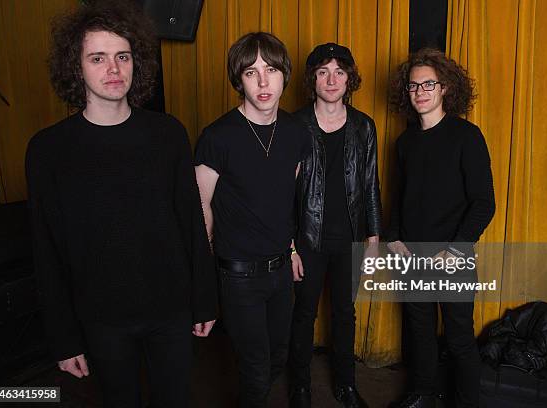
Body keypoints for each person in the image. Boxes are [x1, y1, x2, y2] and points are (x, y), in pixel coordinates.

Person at [25, 3, 217, 407]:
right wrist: (63, 337)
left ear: (136, 63)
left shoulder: (168, 134)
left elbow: (192, 223)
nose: (113, 69)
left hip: (171, 310)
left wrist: (204, 298)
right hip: (101, 318)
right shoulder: (48, 150)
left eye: (122, 56)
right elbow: (47, 249)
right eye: (98, 58)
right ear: (76, 68)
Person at [194, 32, 311, 407]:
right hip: (238, 275)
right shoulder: (218, 136)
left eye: (271, 70)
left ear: (284, 75)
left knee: (278, 356)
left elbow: (283, 198)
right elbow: (201, 206)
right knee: (256, 366)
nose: (263, 82)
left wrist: (291, 246)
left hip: (279, 271)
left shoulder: (295, 131)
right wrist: (206, 278)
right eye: (251, 72)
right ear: (238, 79)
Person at [386, 48, 495, 408]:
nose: (420, 91)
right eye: (413, 85)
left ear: (445, 87)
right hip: (413, 258)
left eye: (428, 84)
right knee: (419, 333)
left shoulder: (467, 136)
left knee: (459, 336)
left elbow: (484, 202)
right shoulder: (405, 143)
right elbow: (400, 196)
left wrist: (457, 248)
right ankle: (423, 393)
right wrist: (395, 236)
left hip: (454, 257)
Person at [288, 43, 381, 408]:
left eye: (339, 72)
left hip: (350, 238)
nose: (332, 79)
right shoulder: (295, 124)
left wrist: (373, 237)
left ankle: (346, 385)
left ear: (349, 79)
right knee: (304, 313)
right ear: (313, 78)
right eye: (324, 71)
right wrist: (290, 245)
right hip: (308, 238)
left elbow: (372, 184)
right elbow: (282, 192)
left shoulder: (363, 126)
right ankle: (300, 387)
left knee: (345, 313)